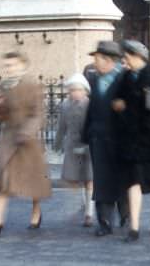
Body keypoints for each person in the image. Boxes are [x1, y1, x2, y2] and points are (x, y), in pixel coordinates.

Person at [111, 40, 150, 243]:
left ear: (138, 56)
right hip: (132, 140)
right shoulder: (124, 78)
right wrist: (118, 105)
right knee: (133, 181)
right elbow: (117, 100)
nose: (125, 60)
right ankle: (134, 228)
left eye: (127, 56)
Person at [0, 51, 51, 237]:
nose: (9, 69)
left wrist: (27, 132)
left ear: (23, 66)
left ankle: (36, 211)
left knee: (34, 181)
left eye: (13, 65)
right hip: (9, 140)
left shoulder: (32, 85)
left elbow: (38, 114)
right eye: (6, 66)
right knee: (3, 181)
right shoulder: (2, 86)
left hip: (27, 141)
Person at [82, 41, 128, 236]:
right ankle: (104, 222)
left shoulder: (125, 79)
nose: (95, 62)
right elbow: (91, 109)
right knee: (101, 180)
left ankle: (125, 214)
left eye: (98, 59)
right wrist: (87, 133)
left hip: (119, 139)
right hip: (98, 138)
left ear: (109, 60)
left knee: (121, 179)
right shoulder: (93, 79)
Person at [54, 73, 94, 227]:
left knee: (90, 178)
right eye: (72, 90)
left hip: (89, 145)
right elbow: (61, 126)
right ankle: (85, 202)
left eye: (78, 90)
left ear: (85, 91)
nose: (75, 93)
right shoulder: (65, 105)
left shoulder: (90, 104)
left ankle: (89, 213)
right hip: (72, 146)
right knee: (78, 178)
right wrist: (58, 144)